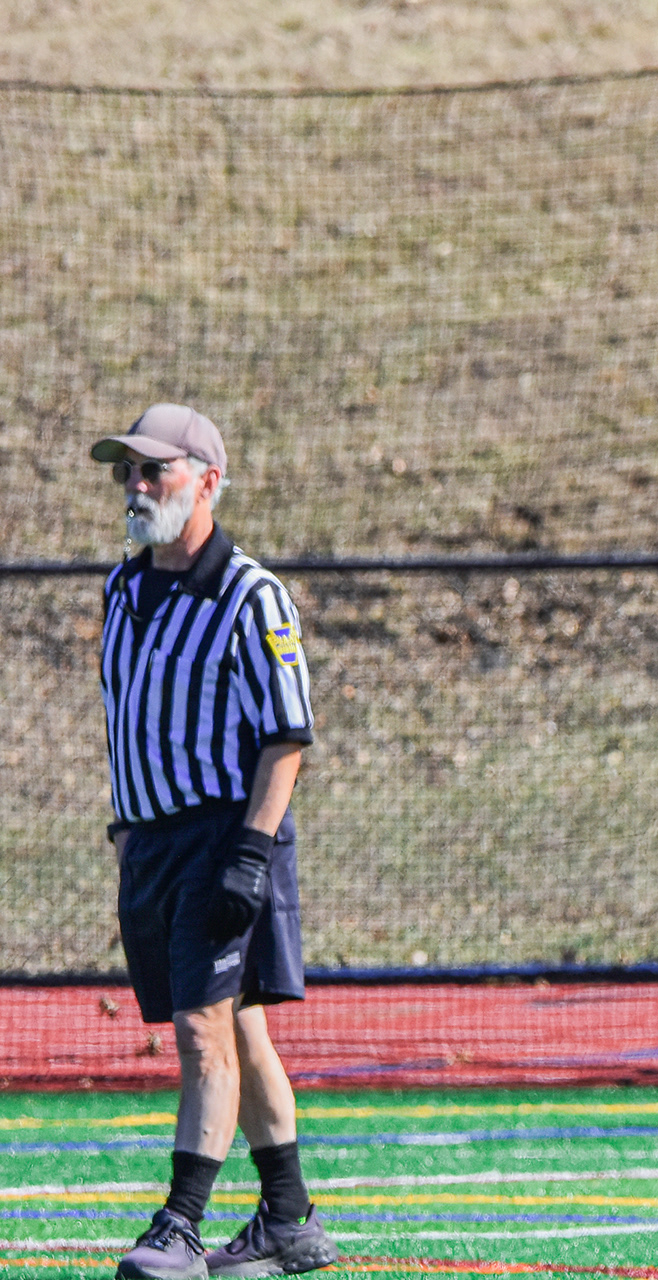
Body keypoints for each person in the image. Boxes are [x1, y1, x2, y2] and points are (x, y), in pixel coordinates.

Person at [91, 404, 339, 1279]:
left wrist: (249, 853)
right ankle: (289, 1218)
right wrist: (128, 833)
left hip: (225, 836)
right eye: (127, 471)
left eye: (154, 470)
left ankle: (180, 1224)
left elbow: (287, 735)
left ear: (208, 480)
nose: (137, 486)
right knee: (238, 1024)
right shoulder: (122, 590)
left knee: (202, 1031)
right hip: (152, 844)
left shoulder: (249, 594)